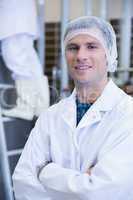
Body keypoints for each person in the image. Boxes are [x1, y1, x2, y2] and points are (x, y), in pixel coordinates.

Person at [13, 16, 133, 200]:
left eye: (91, 46)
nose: (81, 56)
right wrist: (82, 181)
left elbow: (101, 191)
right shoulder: (50, 116)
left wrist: (46, 171)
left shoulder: (127, 114)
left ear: (108, 54)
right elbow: (23, 182)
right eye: (73, 47)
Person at [0, 0, 49, 120]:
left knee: (17, 63)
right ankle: (40, 105)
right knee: (31, 64)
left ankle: (25, 106)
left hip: (13, 21)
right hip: (23, 19)